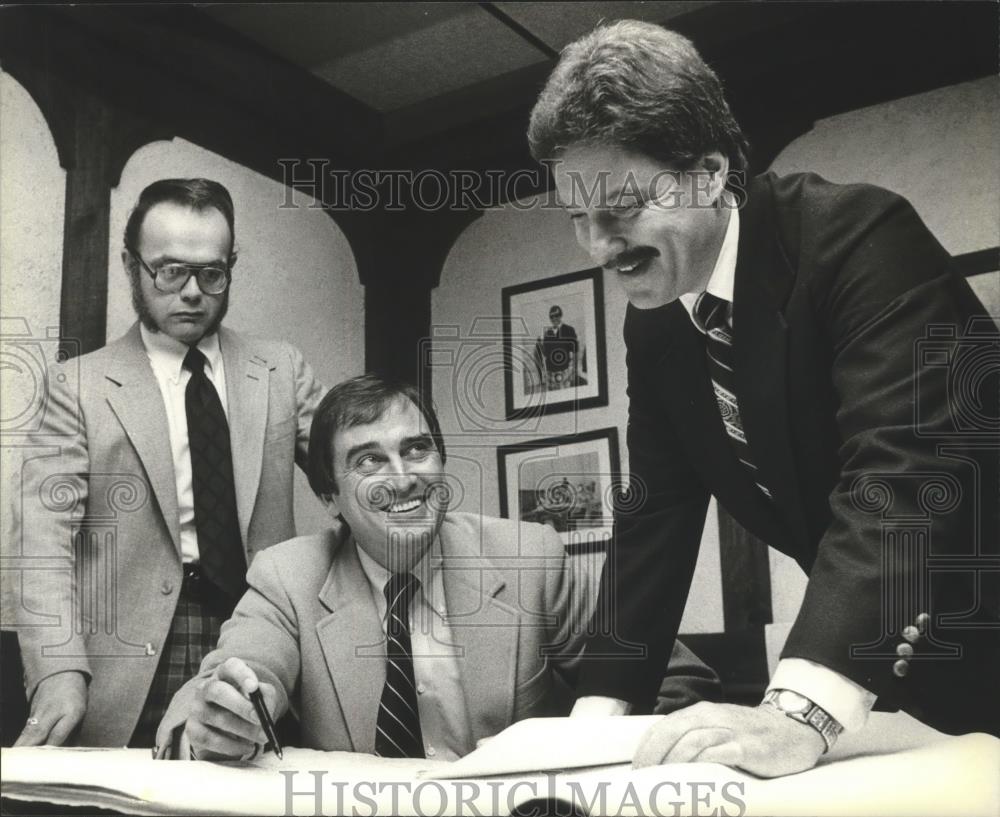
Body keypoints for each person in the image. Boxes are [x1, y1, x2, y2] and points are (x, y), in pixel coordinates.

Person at [528, 20, 999, 776]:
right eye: (577, 217)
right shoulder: (656, 327)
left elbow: (900, 480)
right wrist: (596, 722)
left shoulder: (861, 237)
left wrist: (795, 713)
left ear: (710, 172)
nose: (597, 246)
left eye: (619, 208)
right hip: (925, 681)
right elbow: (654, 514)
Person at [156, 374, 721, 760]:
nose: (403, 478)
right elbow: (244, 669)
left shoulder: (531, 558)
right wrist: (225, 714)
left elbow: (674, 679)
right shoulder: (287, 576)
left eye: (417, 449)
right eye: (368, 460)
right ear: (330, 497)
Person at [6, 178, 326, 748]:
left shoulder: (282, 370)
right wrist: (57, 670)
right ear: (132, 265)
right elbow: (39, 541)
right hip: (129, 657)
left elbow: (355, 469)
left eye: (212, 273)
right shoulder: (76, 386)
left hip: (262, 632)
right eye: (169, 271)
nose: (192, 293)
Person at [535, 305, 579, 390]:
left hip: (564, 372)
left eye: (556, 315)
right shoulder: (547, 333)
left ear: (561, 315)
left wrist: (574, 372)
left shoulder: (569, 330)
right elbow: (545, 353)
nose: (554, 318)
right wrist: (540, 345)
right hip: (550, 374)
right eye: (551, 316)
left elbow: (575, 352)